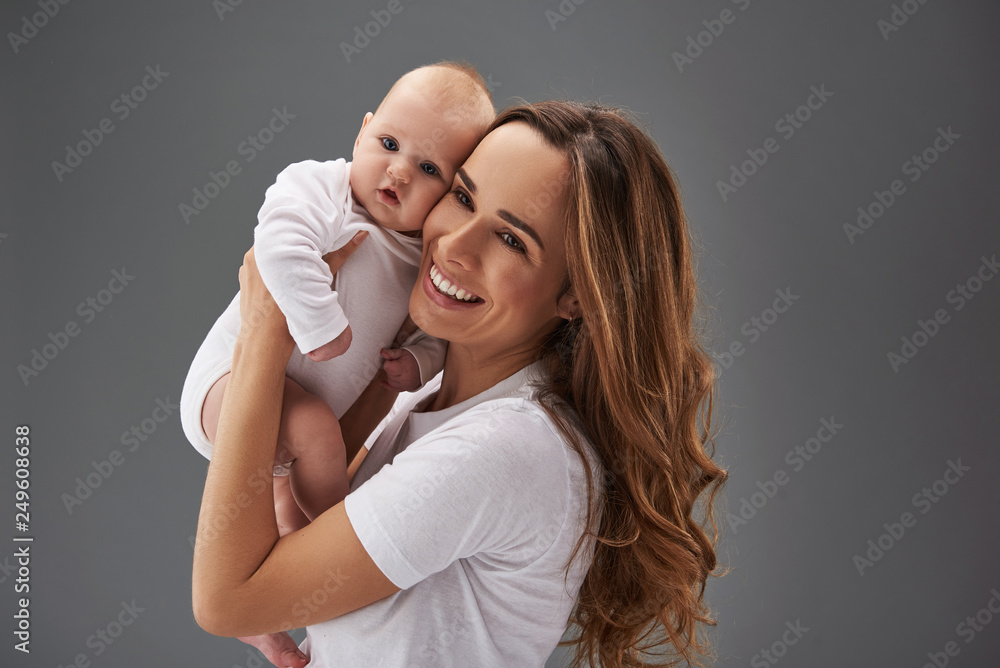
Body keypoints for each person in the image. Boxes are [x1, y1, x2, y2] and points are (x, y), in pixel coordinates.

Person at [192, 100, 729, 668]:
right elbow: (297, 540)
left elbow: (227, 601)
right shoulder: (435, 398)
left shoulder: (507, 448)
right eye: (463, 196)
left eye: (513, 240)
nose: (453, 246)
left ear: (578, 296)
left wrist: (264, 329)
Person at [179, 61, 495, 536]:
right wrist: (320, 325)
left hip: (297, 437)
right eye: (389, 144)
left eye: (428, 168)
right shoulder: (327, 191)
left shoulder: (423, 256)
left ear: (452, 191)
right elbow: (279, 244)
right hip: (228, 382)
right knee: (318, 433)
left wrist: (419, 362)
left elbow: (432, 329)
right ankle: (339, 534)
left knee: (291, 502)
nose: (399, 172)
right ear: (362, 132)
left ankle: (297, 548)